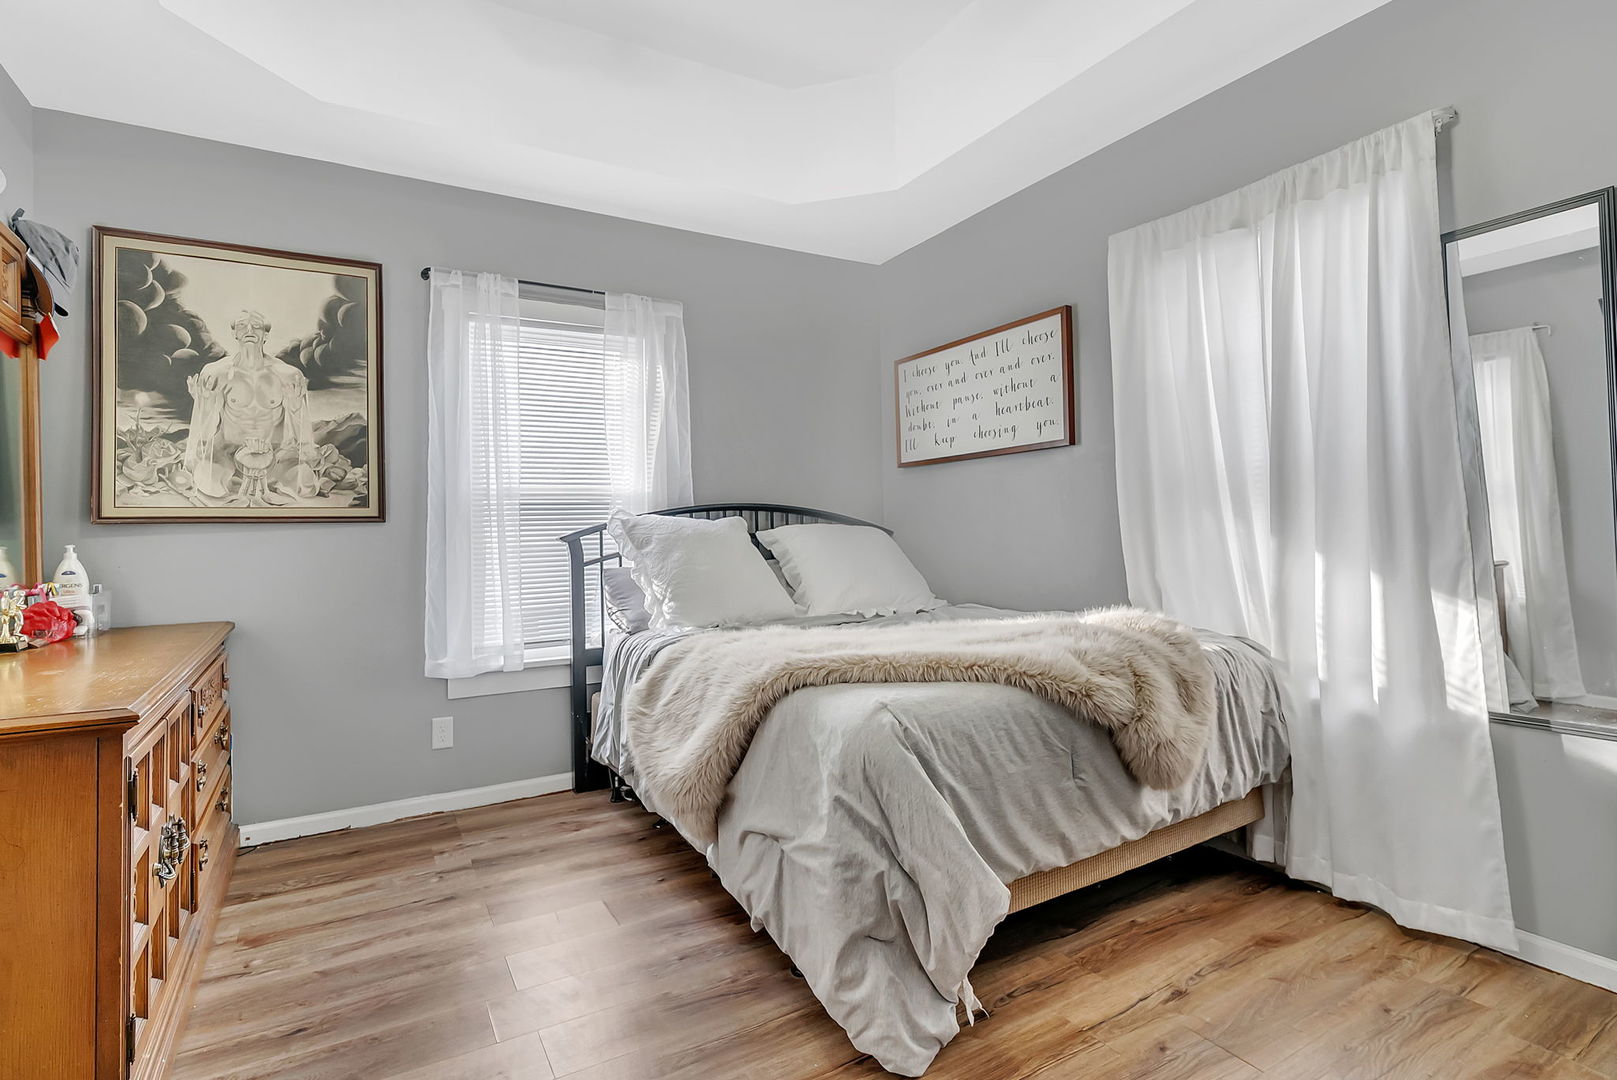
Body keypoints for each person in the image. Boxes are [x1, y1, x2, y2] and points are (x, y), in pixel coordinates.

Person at [184, 310, 320, 502]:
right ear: (235, 333)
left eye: (256, 326)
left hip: (273, 455)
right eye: (242, 325)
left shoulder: (289, 374)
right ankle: (235, 479)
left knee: (305, 485)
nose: (249, 329)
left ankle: (265, 482)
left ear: (266, 334)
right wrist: (204, 404)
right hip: (228, 453)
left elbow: (302, 435)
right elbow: (204, 435)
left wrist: (296, 406)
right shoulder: (216, 372)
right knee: (210, 485)